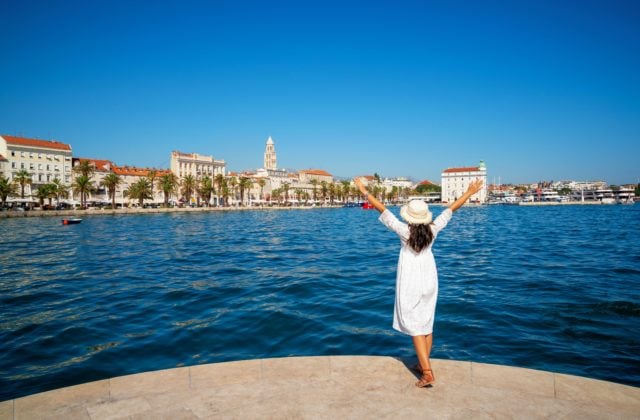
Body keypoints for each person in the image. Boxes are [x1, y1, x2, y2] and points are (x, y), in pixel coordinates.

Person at [354, 177, 483, 387]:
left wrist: (362, 190)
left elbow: (382, 209)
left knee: (415, 325)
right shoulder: (433, 230)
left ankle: (428, 373)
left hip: (411, 281)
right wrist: (469, 192)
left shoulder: (404, 231)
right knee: (426, 322)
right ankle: (422, 364)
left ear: (409, 218)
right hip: (430, 279)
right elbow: (451, 209)